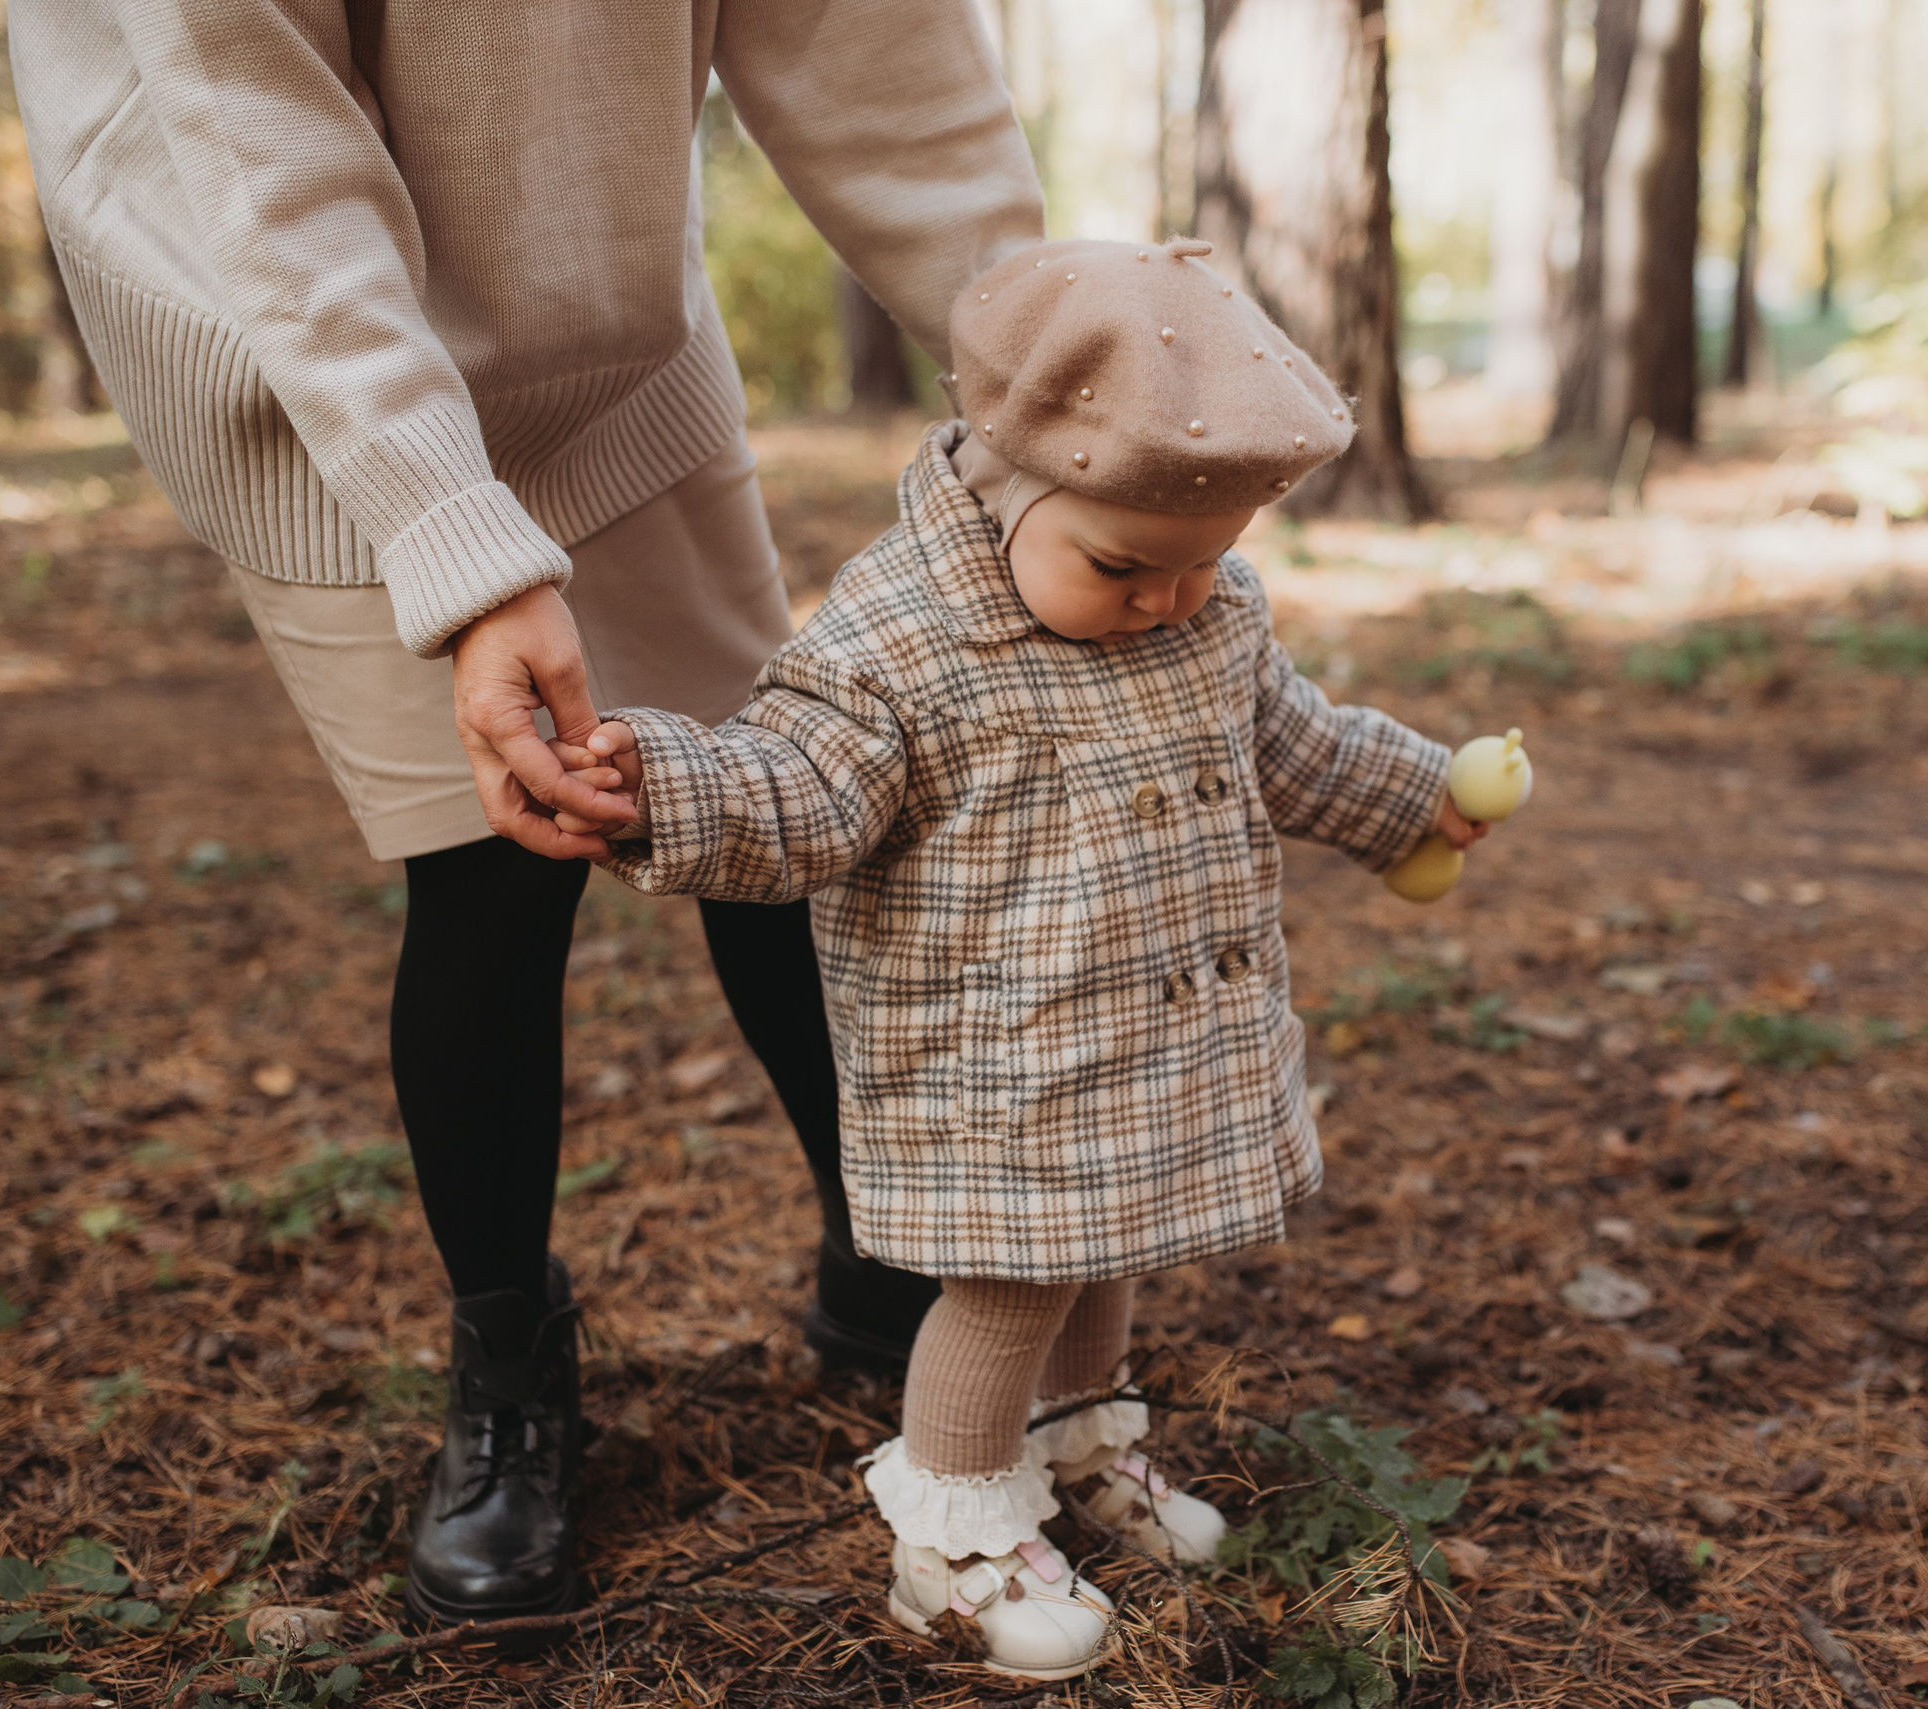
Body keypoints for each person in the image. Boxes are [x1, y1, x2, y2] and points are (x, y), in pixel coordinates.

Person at [3, 0, 1044, 1628]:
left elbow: (872, 54)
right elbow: (263, 144)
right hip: (288, 323)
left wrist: (1054, 393)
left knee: (763, 792)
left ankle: (883, 1245)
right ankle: (509, 1361)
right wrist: (455, 538)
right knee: (496, 863)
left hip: (603, 319)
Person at [555, 238, 1489, 1680]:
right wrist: (663, 790)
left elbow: (1288, 742)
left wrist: (1411, 793)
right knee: (1004, 1292)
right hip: (995, 1054)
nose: (1169, 600)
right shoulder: (900, 641)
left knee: (1113, 1251)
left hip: (1142, 1037)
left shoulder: (1205, 608)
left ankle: (1076, 1444)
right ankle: (955, 1541)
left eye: (1203, 567)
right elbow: (799, 792)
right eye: (1122, 564)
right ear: (1008, 481)